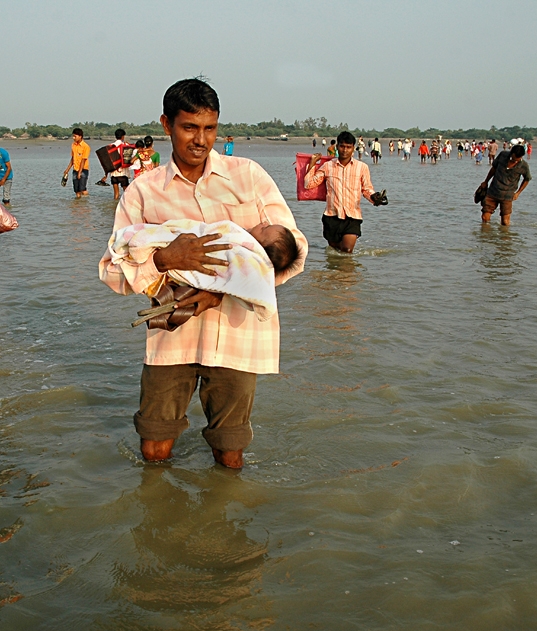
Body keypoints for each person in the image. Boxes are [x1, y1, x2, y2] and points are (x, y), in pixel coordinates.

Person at [98, 78, 308, 469]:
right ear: (166, 125)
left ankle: (222, 521)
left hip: (237, 337)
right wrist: (164, 258)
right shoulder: (142, 193)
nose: (201, 139)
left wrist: (224, 291)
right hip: (171, 337)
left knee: (230, 453)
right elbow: (112, 273)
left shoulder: (248, 176)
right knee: (154, 449)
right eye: (189, 127)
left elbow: (294, 249)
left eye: (209, 128)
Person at [108, 218, 301, 323]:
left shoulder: (253, 175)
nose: (264, 222)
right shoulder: (143, 187)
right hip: (168, 349)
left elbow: (292, 253)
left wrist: (224, 288)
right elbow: (109, 271)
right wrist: (161, 261)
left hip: (239, 353)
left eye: (265, 229)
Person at [304, 131, 382, 254]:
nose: (345, 150)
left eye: (348, 147)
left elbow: (367, 189)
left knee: (347, 250)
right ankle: (337, 273)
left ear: (353, 149)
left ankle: (347, 273)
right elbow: (309, 184)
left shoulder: (362, 167)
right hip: (331, 216)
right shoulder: (328, 166)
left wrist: (375, 198)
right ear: (337, 147)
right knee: (335, 250)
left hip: (352, 216)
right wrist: (312, 164)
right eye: (342, 146)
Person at [478, 144, 531, 226]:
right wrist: (486, 181)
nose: (515, 161)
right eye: (514, 159)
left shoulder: (523, 165)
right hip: (493, 192)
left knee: (505, 222)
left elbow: (527, 179)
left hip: (507, 196)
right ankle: (486, 237)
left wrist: (518, 193)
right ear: (511, 153)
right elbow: (493, 168)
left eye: (518, 159)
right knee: (485, 218)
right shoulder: (503, 155)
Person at [63, 127, 90, 199]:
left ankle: (86, 202)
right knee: (76, 190)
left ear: (80, 136)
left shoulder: (85, 146)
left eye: (75, 136)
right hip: (75, 169)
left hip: (83, 169)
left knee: (82, 189)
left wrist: (80, 172)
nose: (73, 138)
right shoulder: (73, 145)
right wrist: (67, 170)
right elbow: (73, 158)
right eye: (73, 136)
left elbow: (83, 160)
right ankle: (78, 205)